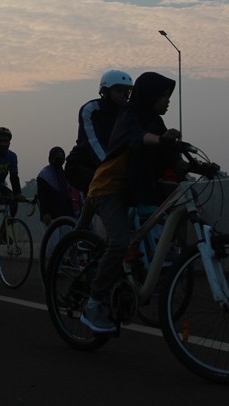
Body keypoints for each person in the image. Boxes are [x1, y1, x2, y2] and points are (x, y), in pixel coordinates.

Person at [81, 71, 187, 333]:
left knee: (178, 201)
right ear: (150, 96)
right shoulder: (128, 116)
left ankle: (153, 259)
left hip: (137, 186)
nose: (168, 101)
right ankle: (92, 305)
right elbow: (138, 138)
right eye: (164, 96)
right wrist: (161, 140)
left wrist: (192, 165)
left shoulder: (156, 121)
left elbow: (170, 153)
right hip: (110, 188)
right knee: (118, 242)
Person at [65, 70, 134, 195]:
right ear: (105, 91)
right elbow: (94, 143)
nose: (124, 95)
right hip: (82, 165)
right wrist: (112, 166)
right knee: (103, 190)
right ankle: (88, 213)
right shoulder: (91, 110)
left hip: (111, 165)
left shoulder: (128, 113)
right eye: (119, 91)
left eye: (127, 91)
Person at [36, 147, 75, 226]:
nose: (60, 159)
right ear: (50, 158)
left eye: (62, 156)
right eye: (57, 156)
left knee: (66, 238)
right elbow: (42, 196)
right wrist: (45, 213)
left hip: (66, 215)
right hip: (51, 217)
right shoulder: (44, 175)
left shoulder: (65, 175)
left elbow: (68, 196)